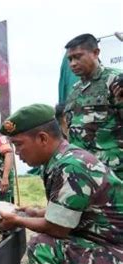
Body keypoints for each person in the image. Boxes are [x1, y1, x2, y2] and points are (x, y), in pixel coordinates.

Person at [0, 103, 123, 264]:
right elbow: (72, 214)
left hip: (116, 257)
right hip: (110, 251)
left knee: (42, 248)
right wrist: (35, 213)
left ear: (42, 139)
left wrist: (17, 221)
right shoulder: (65, 159)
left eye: (19, 145)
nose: (17, 153)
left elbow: (57, 228)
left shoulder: (71, 166)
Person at [64, 33, 123, 179]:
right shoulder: (75, 89)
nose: (73, 63)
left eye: (78, 57)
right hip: (84, 171)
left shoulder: (115, 81)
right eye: (70, 59)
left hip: (113, 172)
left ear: (96, 53)